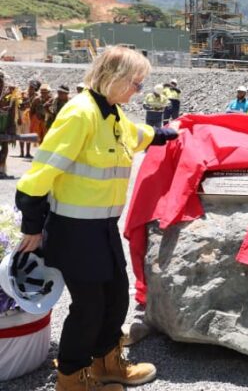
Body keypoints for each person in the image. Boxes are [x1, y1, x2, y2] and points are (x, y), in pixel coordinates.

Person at [15, 46, 179, 391]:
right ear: (115, 78)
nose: (138, 90)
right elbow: (39, 174)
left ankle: (107, 363)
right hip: (74, 231)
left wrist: (163, 135)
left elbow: (135, 136)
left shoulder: (114, 114)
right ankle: (72, 378)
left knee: (117, 297)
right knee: (89, 307)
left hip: (102, 229)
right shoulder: (80, 114)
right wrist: (32, 225)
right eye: (135, 83)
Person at [0, 71, 18, 179]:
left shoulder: (10, 95)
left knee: (5, 145)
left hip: (5, 123)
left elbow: (12, 112)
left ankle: (1, 169)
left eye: (1, 80)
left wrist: (11, 126)